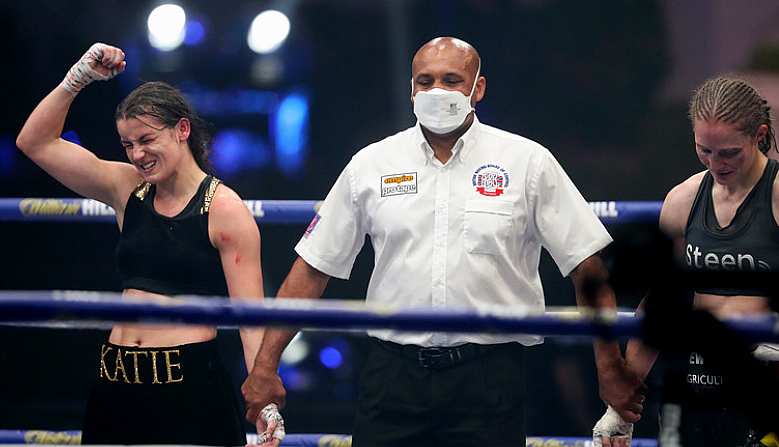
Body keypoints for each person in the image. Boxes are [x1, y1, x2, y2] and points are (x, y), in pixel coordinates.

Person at [242, 36, 645, 447]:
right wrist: (265, 365)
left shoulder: (527, 162)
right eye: (426, 80)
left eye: (452, 80)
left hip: (489, 375)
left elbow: (586, 264)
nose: (437, 91)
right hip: (392, 374)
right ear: (411, 88)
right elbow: (313, 266)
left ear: (478, 88)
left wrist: (609, 367)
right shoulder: (372, 163)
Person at [15, 43, 282, 446]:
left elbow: (251, 320)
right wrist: (78, 77)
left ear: (182, 130)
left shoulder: (225, 210)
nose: (137, 154)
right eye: (127, 144)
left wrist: (265, 404)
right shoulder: (127, 189)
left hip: (187, 384)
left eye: (146, 139)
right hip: (114, 378)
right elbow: (34, 142)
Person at [593, 76, 779, 447]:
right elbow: (661, 305)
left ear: (758, 135)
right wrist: (620, 410)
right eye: (705, 150)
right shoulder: (682, 200)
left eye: (728, 152)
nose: (716, 163)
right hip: (694, 387)